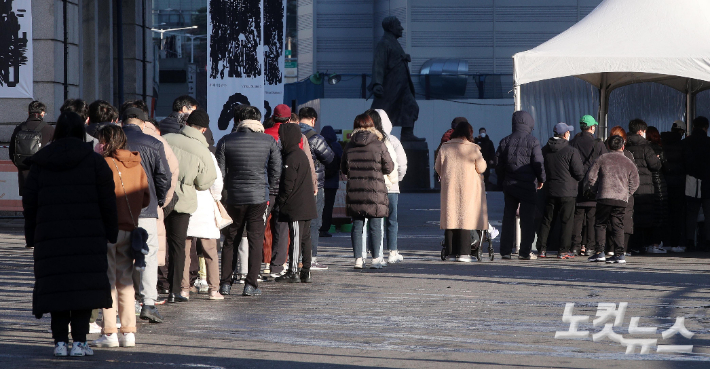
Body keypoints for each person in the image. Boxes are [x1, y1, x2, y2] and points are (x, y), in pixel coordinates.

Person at [23, 112, 117, 357]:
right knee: (82, 288)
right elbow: (109, 201)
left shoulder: (42, 162)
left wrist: (32, 235)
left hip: (50, 236)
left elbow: (30, 203)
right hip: (88, 235)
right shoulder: (96, 162)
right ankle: (80, 342)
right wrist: (111, 231)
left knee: (58, 287)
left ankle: (60, 342)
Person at [91, 125, 150, 349]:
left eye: (101, 140)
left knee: (108, 282)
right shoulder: (137, 164)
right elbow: (145, 198)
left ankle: (109, 333)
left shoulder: (104, 164)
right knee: (125, 282)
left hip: (107, 230)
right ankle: (128, 331)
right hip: (130, 228)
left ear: (107, 142)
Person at [216, 106, 281, 296]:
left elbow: (220, 173)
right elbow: (276, 171)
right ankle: (251, 284)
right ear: (258, 120)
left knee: (230, 240)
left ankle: (225, 283)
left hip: (233, 197)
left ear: (238, 121)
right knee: (255, 238)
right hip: (259, 197)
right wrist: (267, 188)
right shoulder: (269, 140)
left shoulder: (226, 140)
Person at [120, 107, 171, 321]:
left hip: (118, 207)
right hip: (146, 208)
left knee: (120, 254)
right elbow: (164, 177)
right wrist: (158, 200)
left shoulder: (114, 142)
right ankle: (148, 303)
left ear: (122, 122)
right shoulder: (154, 143)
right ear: (143, 123)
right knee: (147, 255)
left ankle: (124, 302)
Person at [163, 109, 218, 302]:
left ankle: (150, 287)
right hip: (183, 200)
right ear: (203, 129)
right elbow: (205, 182)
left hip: (161, 197)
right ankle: (175, 290)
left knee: (158, 243)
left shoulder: (166, 138)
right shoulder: (202, 150)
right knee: (178, 246)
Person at [341, 113, 394, 269]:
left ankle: (358, 259)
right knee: (375, 225)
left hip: (355, 191)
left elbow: (343, 168)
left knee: (357, 225)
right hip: (375, 190)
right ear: (372, 126)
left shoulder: (349, 145)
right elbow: (389, 167)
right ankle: (376, 259)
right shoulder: (379, 144)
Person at [495, 111, 545, 260]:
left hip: (510, 185)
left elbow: (498, 164)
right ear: (530, 123)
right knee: (527, 219)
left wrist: (502, 179)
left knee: (508, 217)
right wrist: (541, 178)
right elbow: (538, 163)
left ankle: (505, 250)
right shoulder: (533, 141)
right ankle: (525, 251)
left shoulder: (505, 141)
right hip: (528, 186)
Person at [435, 121, 488, 262]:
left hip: (450, 188)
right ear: (469, 133)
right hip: (468, 189)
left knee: (450, 217)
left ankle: (451, 252)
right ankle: (464, 253)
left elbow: (438, 168)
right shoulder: (473, 148)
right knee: (465, 218)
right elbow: (482, 168)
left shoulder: (445, 147)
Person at [274, 123, 318, 283]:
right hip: (306, 206)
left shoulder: (291, 157)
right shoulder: (300, 154)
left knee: (296, 238)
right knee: (305, 239)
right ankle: (305, 271)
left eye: (281, 137)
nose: (279, 140)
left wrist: (280, 201)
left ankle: (293, 271)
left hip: (296, 207)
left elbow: (287, 184)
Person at [586, 135, 640, 264]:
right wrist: (627, 194)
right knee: (618, 225)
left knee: (600, 224)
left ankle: (599, 252)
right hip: (621, 198)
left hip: (604, 196)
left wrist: (595, 191)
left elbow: (591, 178)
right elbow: (636, 182)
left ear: (608, 146)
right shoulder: (628, 162)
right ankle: (619, 254)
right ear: (623, 146)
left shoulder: (602, 159)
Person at [537, 123, 585, 259]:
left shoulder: (545, 149)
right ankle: (563, 250)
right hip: (567, 191)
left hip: (550, 190)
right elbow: (579, 173)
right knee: (567, 221)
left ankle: (541, 249)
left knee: (547, 220)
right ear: (565, 135)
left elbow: (541, 169)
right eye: (568, 132)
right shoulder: (571, 150)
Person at [185, 148, 225, 300]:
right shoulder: (207, 154)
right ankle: (214, 290)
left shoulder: (177, 149)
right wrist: (216, 197)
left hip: (185, 201)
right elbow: (217, 181)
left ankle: (184, 289)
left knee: (185, 249)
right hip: (205, 202)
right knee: (210, 250)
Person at [298, 107, 335, 270]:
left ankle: (293, 257)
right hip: (314, 187)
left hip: (292, 185)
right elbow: (329, 158)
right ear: (313, 120)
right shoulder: (316, 138)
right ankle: (310, 259)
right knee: (313, 223)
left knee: (293, 223)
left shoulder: (289, 135)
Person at [372, 109, 407, 263]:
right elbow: (402, 164)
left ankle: (374, 252)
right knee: (392, 220)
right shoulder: (393, 140)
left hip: (372, 186)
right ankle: (392, 252)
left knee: (374, 220)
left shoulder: (367, 139)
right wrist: (396, 180)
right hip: (391, 187)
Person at [569, 115, 607, 255]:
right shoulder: (599, 144)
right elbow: (605, 164)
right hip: (593, 184)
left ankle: (575, 246)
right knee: (592, 217)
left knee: (577, 217)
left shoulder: (573, 143)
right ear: (592, 127)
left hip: (576, 184)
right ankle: (590, 246)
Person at [625, 119, 663, 253]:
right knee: (645, 217)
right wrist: (658, 159)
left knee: (631, 216)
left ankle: (632, 245)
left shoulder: (625, 144)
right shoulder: (646, 147)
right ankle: (644, 244)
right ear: (641, 131)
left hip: (628, 186)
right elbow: (655, 165)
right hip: (645, 186)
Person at [9, 101, 54, 197]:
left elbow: (11, 152)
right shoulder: (48, 128)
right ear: (42, 113)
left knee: (28, 204)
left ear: (29, 113)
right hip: (42, 174)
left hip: (24, 174)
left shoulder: (20, 128)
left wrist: (21, 164)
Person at [607, 126, 636, 255]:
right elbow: (635, 177)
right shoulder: (628, 155)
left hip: (607, 193)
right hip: (624, 193)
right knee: (624, 218)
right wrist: (630, 192)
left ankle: (610, 248)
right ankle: (622, 249)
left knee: (609, 218)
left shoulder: (604, 155)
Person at [683, 116, 710, 252]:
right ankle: (707, 240)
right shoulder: (708, 142)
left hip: (691, 181)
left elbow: (685, 162)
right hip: (708, 181)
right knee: (708, 212)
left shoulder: (687, 142)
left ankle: (689, 241)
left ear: (693, 127)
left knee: (691, 213)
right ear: (706, 127)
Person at [661, 121, 687, 252]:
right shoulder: (683, 145)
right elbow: (688, 163)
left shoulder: (662, 142)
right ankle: (675, 243)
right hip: (678, 183)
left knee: (665, 213)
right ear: (682, 132)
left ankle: (663, 241)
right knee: (677, 214)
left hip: (663, 183)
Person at [646, 126, 669, 253]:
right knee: (660, 215)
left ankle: (648, 243)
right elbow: (666, 168)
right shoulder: (659, 148)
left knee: (649, 215)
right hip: (660, 184)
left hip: (647, 185)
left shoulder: (643, 148)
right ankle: (656, 244)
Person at [319, 125, 343, 239]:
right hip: (332, 182)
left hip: (319, 180)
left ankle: (315, 227)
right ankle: (325, 229)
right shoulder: (337, 146)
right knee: (328, 206)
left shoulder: (319, 143)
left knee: (317, 206)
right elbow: (342, 161)